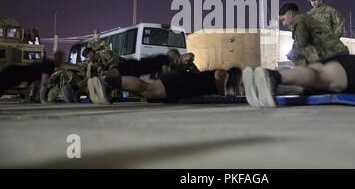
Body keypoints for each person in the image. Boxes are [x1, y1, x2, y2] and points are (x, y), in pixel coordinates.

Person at [242, 53, 355, 107]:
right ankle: (272, 77)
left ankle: (269, 75)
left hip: (345, 63)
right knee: (321, 77)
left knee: (315, 73)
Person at [87, 62, 243, 105]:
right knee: (146, 88)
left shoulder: (224, 77)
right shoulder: (223, 73)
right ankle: (107, 81)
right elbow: (219, 80)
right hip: (182, 83)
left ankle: (109, 83)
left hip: (182, 88)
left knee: (146, 92)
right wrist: (226, 95)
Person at [279, 2, 348, 65]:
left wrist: (291, 54)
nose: (284, 24)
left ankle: (311, 73)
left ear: (290, 15)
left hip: (334, 54)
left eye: (283, 19)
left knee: (296, 53)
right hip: (338, 51)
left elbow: (301, 43)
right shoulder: (306, 17)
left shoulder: (299, 20)